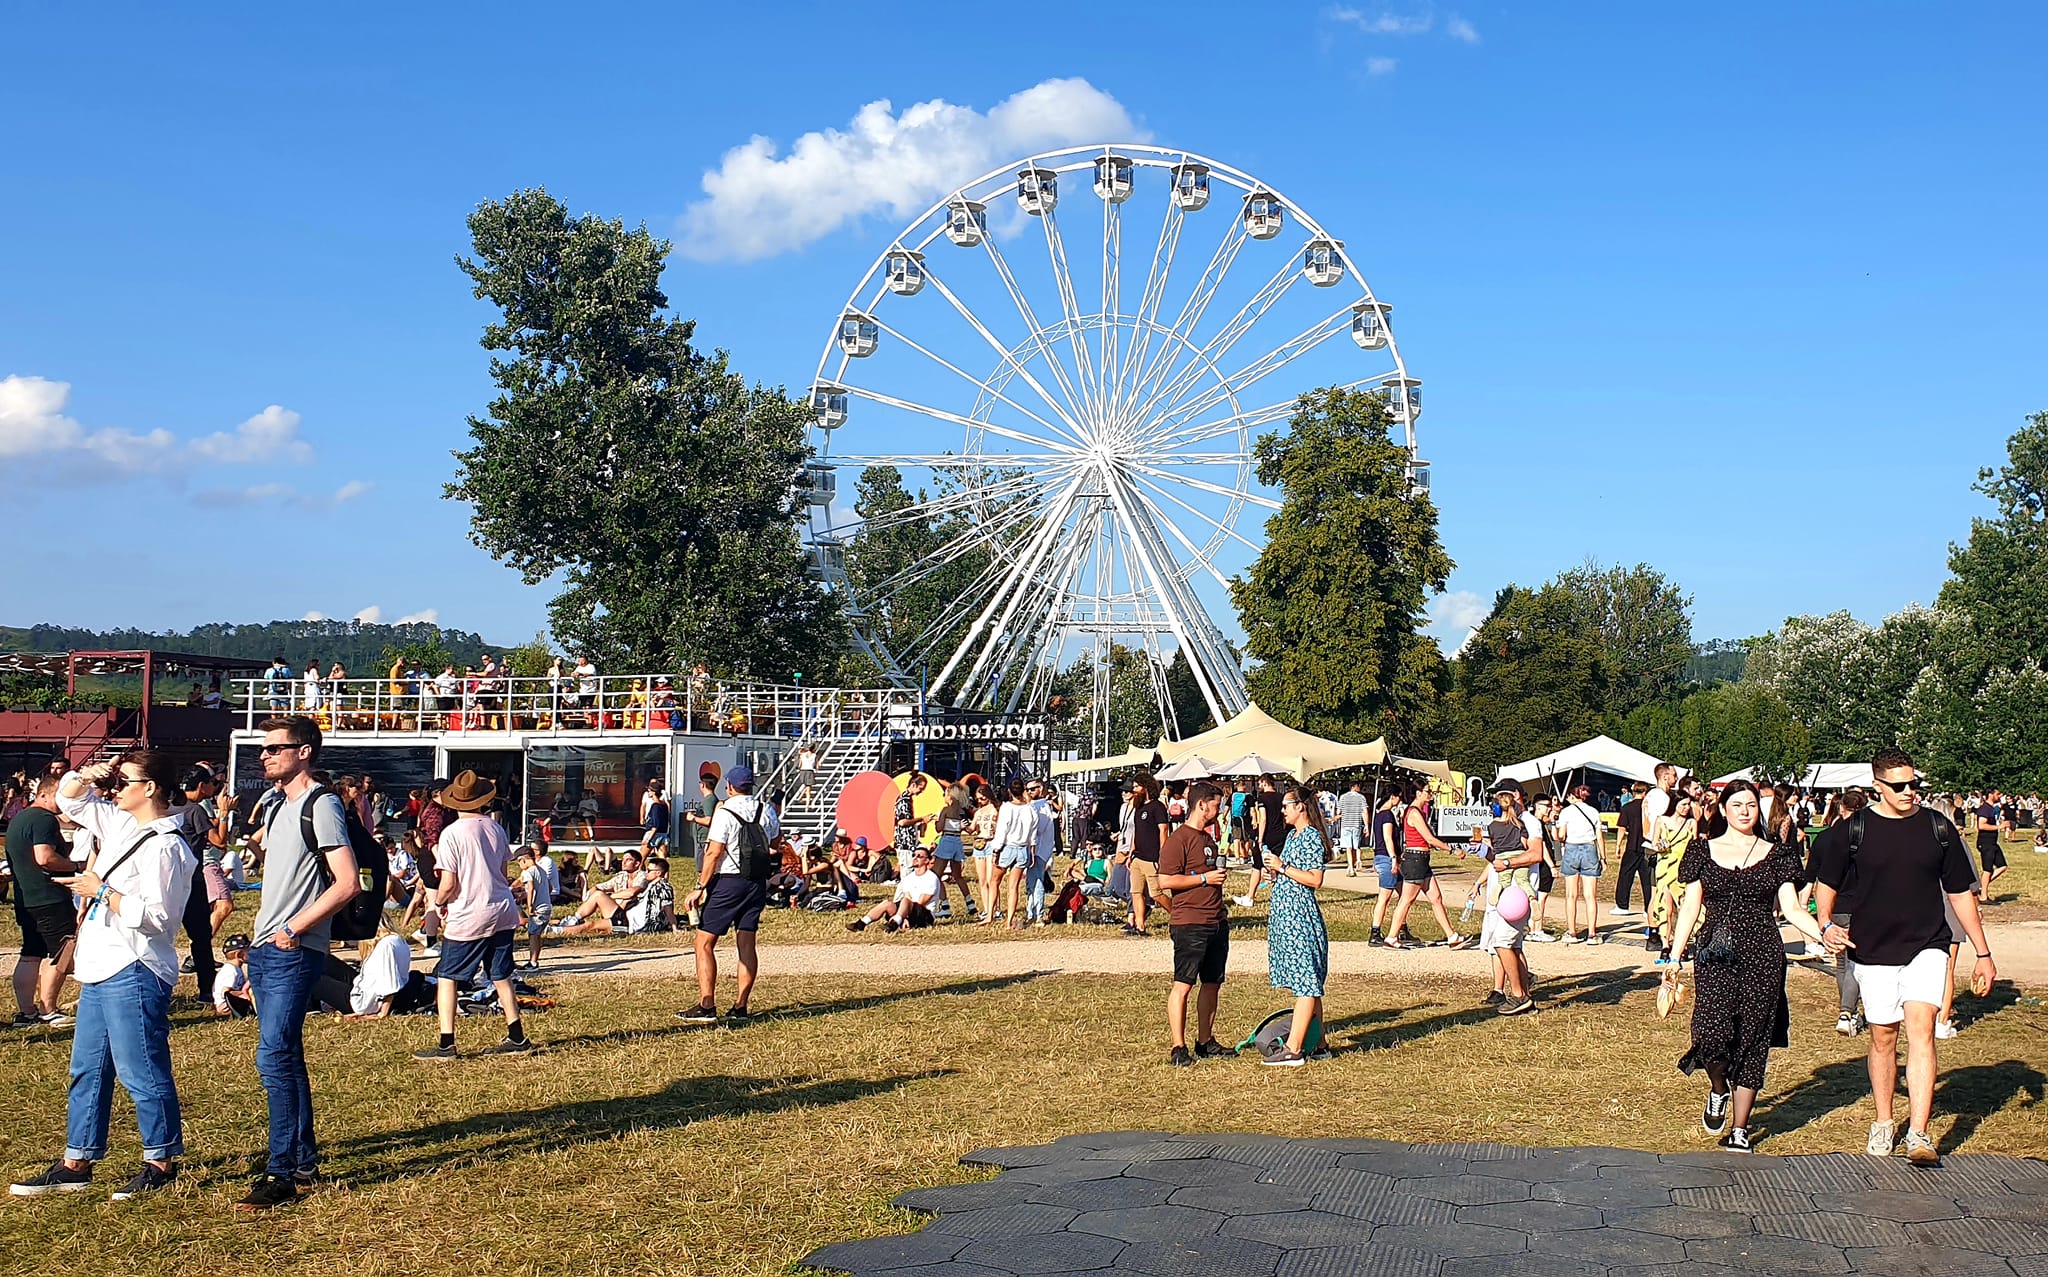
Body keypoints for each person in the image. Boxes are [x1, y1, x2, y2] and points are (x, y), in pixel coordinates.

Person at [10, 753, 196, 1200]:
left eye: (124, 781)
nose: (115, 789)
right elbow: (72, 801)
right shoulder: (122, 826)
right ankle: (77, 1161)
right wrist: (83, 775)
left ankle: (160, 1160)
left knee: (141, 1069)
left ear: (150, 787)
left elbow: (158, 918)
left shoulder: (167, 846)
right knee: (87, 1068)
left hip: (134, 966)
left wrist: (103, 892)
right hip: (100, 964)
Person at [1814, 749, 1994, 1167]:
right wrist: (1826, 925)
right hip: (1872, 949)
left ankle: (1918, 1132)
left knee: (1922, 1029)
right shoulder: (1853, 830)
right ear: (1878, 786)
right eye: (1899, 786)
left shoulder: (1937, 828)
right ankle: (1883, 1121)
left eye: (1914, 784)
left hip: (1927, 944)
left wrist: (1982, 952)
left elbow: (1960, 894)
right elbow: (1826, 883)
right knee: (1883, 1036)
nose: (1910, 792)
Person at [1666, 780, 1828, 1153]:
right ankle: (1719, 1089)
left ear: (1760, 810)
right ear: (1723, 809)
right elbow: (1691, 907)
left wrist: (1822, 934)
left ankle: (1740, 1128)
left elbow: (1792, 909)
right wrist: (1674, 957)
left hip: (1763, 955)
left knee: (1754, 1037)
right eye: (1736, 804)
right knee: (1710, 1032)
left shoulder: (1778, 854)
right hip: (1713, 953)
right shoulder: (1702, 851)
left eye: (1751, 805)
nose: (1744, 811)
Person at [239, 715, 361, 1211]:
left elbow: (347, 882)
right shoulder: (276, 806)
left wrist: (294, 929)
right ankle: (303, 1161)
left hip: (293, 949)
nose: (265, 755)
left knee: (273, 1056)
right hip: (268, 949)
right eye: (263, 749)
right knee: (284, 1054)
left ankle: (281, 1169)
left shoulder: (322, 804)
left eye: (275, 748)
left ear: (304, 751)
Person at [413, 771, 532, 1062]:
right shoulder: (495, 828)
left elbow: (449, 882)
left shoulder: (451, 834)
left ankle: (446, 1043)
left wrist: (438, 903)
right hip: (501, 908)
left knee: (448, 976)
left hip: (469, 911)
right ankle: (516, 1035)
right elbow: (503, 874)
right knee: (501, 974)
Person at [678, 764, 777, 1023]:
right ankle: (740, 1006)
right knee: (746, 944)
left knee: (704, 942)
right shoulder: (765, 809)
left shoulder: (725, 812)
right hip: (756, 882)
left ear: (730, 786)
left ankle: (707, 1004)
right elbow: (775, 843)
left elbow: (713, 853)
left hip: (729, 881)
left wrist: (699, 887)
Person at [1158, 782, 1231, 1066]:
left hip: (1215, 920)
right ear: (1201, 805)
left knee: (1212, 983)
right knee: (1184, 984)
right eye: (1215, 805)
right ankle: (1178, 1046)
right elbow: (1166, 881)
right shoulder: (1179, 839)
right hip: (1189, 922)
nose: (1219, 810)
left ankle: (1205, 1041)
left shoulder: (1208, 839)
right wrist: (1204, 879)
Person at [1261, 786, 1333, 1066]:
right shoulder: (1293, 836)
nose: (1282, 811)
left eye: (1286, 806)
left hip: (1300, 916)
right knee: (1307, 979)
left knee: (1306, 982)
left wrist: (1283, 867)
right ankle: (1320, 1043)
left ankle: (1294, 1048)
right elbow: (1291, 871)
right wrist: (1276, 870)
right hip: (1287, 916)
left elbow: (1315, 879)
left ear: (1301, 806)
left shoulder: (1311, 837)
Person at [8, 774, 80, 1027]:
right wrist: (76, 866)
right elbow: (45, 857)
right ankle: (48, 1009)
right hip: (49, 896)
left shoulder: (20, 818)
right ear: (44, 795)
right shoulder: (44, 819)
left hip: (26, 896)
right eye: (60, 796)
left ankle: (26, 1012)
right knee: (60, 952)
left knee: (30, 953)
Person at [1805, 787, 1871, 1036]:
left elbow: (1811, 876)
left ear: (1841, 808)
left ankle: (1848, 1011)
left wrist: (1807, 905)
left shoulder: (1824, 838)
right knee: (1856, 962)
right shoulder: (1868, 838)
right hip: (1862, 905)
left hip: (1834, 906)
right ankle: (1847, 1011)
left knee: (1842, 962)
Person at [1382, 783, 1471, 950]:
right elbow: (1430, 839)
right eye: (1428, 792)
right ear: (1418, 793)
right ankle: (1392, 937)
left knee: (1436, 898)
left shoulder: (1418, 812)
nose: (1431, 795)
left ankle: (1452, 936)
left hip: (1421, 860)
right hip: (1415, 860)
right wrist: (1452, 850)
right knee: (1406, 900)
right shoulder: (1414, 812)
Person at [1479, 785, 1542, 1016]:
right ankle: (1524, 997)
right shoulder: (1510, 824)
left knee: (1501, 943)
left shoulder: (1529, 822)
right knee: (1513, 946)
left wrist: (1507, 863)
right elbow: (1494, 855)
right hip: (1508, 893)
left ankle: (1518, 996)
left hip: (1516, 895)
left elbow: (1536, 854)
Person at [983, 779, 1039, 931]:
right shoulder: (1030, 809)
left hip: (1007, 847)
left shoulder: (1007, 808)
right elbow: (1033, 834)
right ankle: (1009, 921)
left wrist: (995, 850)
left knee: (994, 881)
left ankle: (990, 915)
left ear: (1009, 791)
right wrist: (1032, 851)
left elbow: (1002, 832)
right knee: (1013, 887)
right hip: (1023, 849)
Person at [1649, 794, 1697, 964]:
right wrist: (1660, 845)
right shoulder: (1662, 820)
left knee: (1684, 908)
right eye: (1683, 804)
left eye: (1689, 805)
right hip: (1665, 866)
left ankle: (1682, 945)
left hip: (1683, 868)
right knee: (1665, 907)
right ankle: (1665, 945)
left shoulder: (1691, 823)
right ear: (1675, 803)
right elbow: (1653, 843)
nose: (1687, 808)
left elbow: (1695, 846)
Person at [847, 848, 941, 933]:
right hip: (908, 912)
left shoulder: (931, 878)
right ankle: (861, 924)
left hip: (925, 915)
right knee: (887, 903)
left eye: (919, 856)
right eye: (913, 855)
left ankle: (894, 924)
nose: (915, 858)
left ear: (927, 860)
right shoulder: (908, 878)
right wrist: (904, 917)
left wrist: (905, 915)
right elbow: (907, 897)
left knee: (905, 901)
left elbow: (921, 902)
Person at [1556, 783, 1605, 944]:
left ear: (1572, 796)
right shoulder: (1593, 812)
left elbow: (1561, 835)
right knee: (1590, 896)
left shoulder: (1566, 812)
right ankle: (1592, 934)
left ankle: (1572, 932)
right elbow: (1599, 836)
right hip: (1590, 849)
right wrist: (1603, 858)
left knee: (1571, 895)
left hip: (1571, 849)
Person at [1123, 776, 1169, 933]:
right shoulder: (1139, 807)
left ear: (1146, 787)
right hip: (1137, 857)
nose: (1134, 790)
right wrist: (1131, 853)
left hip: (1152, 858)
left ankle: (1177, 915)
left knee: (1156, 894)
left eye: (1137, 787)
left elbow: (1163, 831)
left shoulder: (1158, 807)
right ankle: (1140, 926)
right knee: (1136, 893)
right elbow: (1137, 832)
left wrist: (1163, 854)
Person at [928, 784, 977, 922]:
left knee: (936, 875)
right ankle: (970, 903)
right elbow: (968, 829)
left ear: (950, 795)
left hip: (947, 841)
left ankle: (945, 906)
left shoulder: (945, 810)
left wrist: (935, 821)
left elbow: (939, 828)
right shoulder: (962, 811)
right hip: (957, 842)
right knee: (958, 876)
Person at [1239, 775, 1286, 908]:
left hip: (1267, 835)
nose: (1258, 786)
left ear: (1265, 783)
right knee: (1277, 866)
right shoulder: (1281, 797)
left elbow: (1263, 819)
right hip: (1280, 834)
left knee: (1257, 865)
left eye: (1260, 783)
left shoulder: (1262, 798)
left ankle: (1250, 897)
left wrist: (1260, 839)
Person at [1367, 790, 1404, 946]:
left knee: (1405, 896)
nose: (1400, 799)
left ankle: (1402, 928)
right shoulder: (1387, 815)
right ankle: (1375, 931)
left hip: (1381, 857)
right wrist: (1394, 858)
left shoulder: (1378, 815)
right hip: (1388, 858)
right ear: (1392, 797)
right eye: (1398, 796)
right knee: (1384, 897)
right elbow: (1387, 837)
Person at [518, 845, 553, 970]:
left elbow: (531, 888)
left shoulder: (528, 872)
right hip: (547, 907)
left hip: (538, 909)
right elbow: (550, 888)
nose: (519, 866)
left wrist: (530, 905)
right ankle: (534, 961)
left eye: (519, 862)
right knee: (537, 934)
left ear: (523, 860)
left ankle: (533, 962)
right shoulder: (541, 870)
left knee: (533, 934)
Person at [1969, 791, 2010, 893]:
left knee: (2002, 866)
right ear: (1990, 795)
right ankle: (1983, 896)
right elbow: (1981, 825)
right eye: (1998, 794)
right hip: (1985, 842)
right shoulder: (1985, 808)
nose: (2000, 796)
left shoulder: (1992, 808)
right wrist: (1999, 827)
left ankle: (1981, 887)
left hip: (1993, 842)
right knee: (1988, 870)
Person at [212, 933, 255, 1019]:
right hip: (226, 1005)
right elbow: (226, 992)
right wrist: (245, 995)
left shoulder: (235, 969)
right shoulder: (231, 971)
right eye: (248, 950)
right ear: (239, 955)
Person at [1334, 780, 1368, 876]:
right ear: (1355, 786)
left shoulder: (1343, 797)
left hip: (1345, 824)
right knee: (1356, 846)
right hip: (1356, 824)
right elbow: (1364, 812)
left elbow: (1338, 812)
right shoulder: (1361, 798)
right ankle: (1355, 863)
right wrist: (1366, 826)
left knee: (1348, 847)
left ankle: (1350, 867)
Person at [639, 779, 671, 856]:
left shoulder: (655, 806)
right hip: (663, 833)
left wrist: (648, 839)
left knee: (641, 857)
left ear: (653, 792)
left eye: (649, 791)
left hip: (653, 833)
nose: (648, 792)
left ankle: (640, 867)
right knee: (662, 855)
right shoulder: (663, 805)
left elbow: (655, 826)